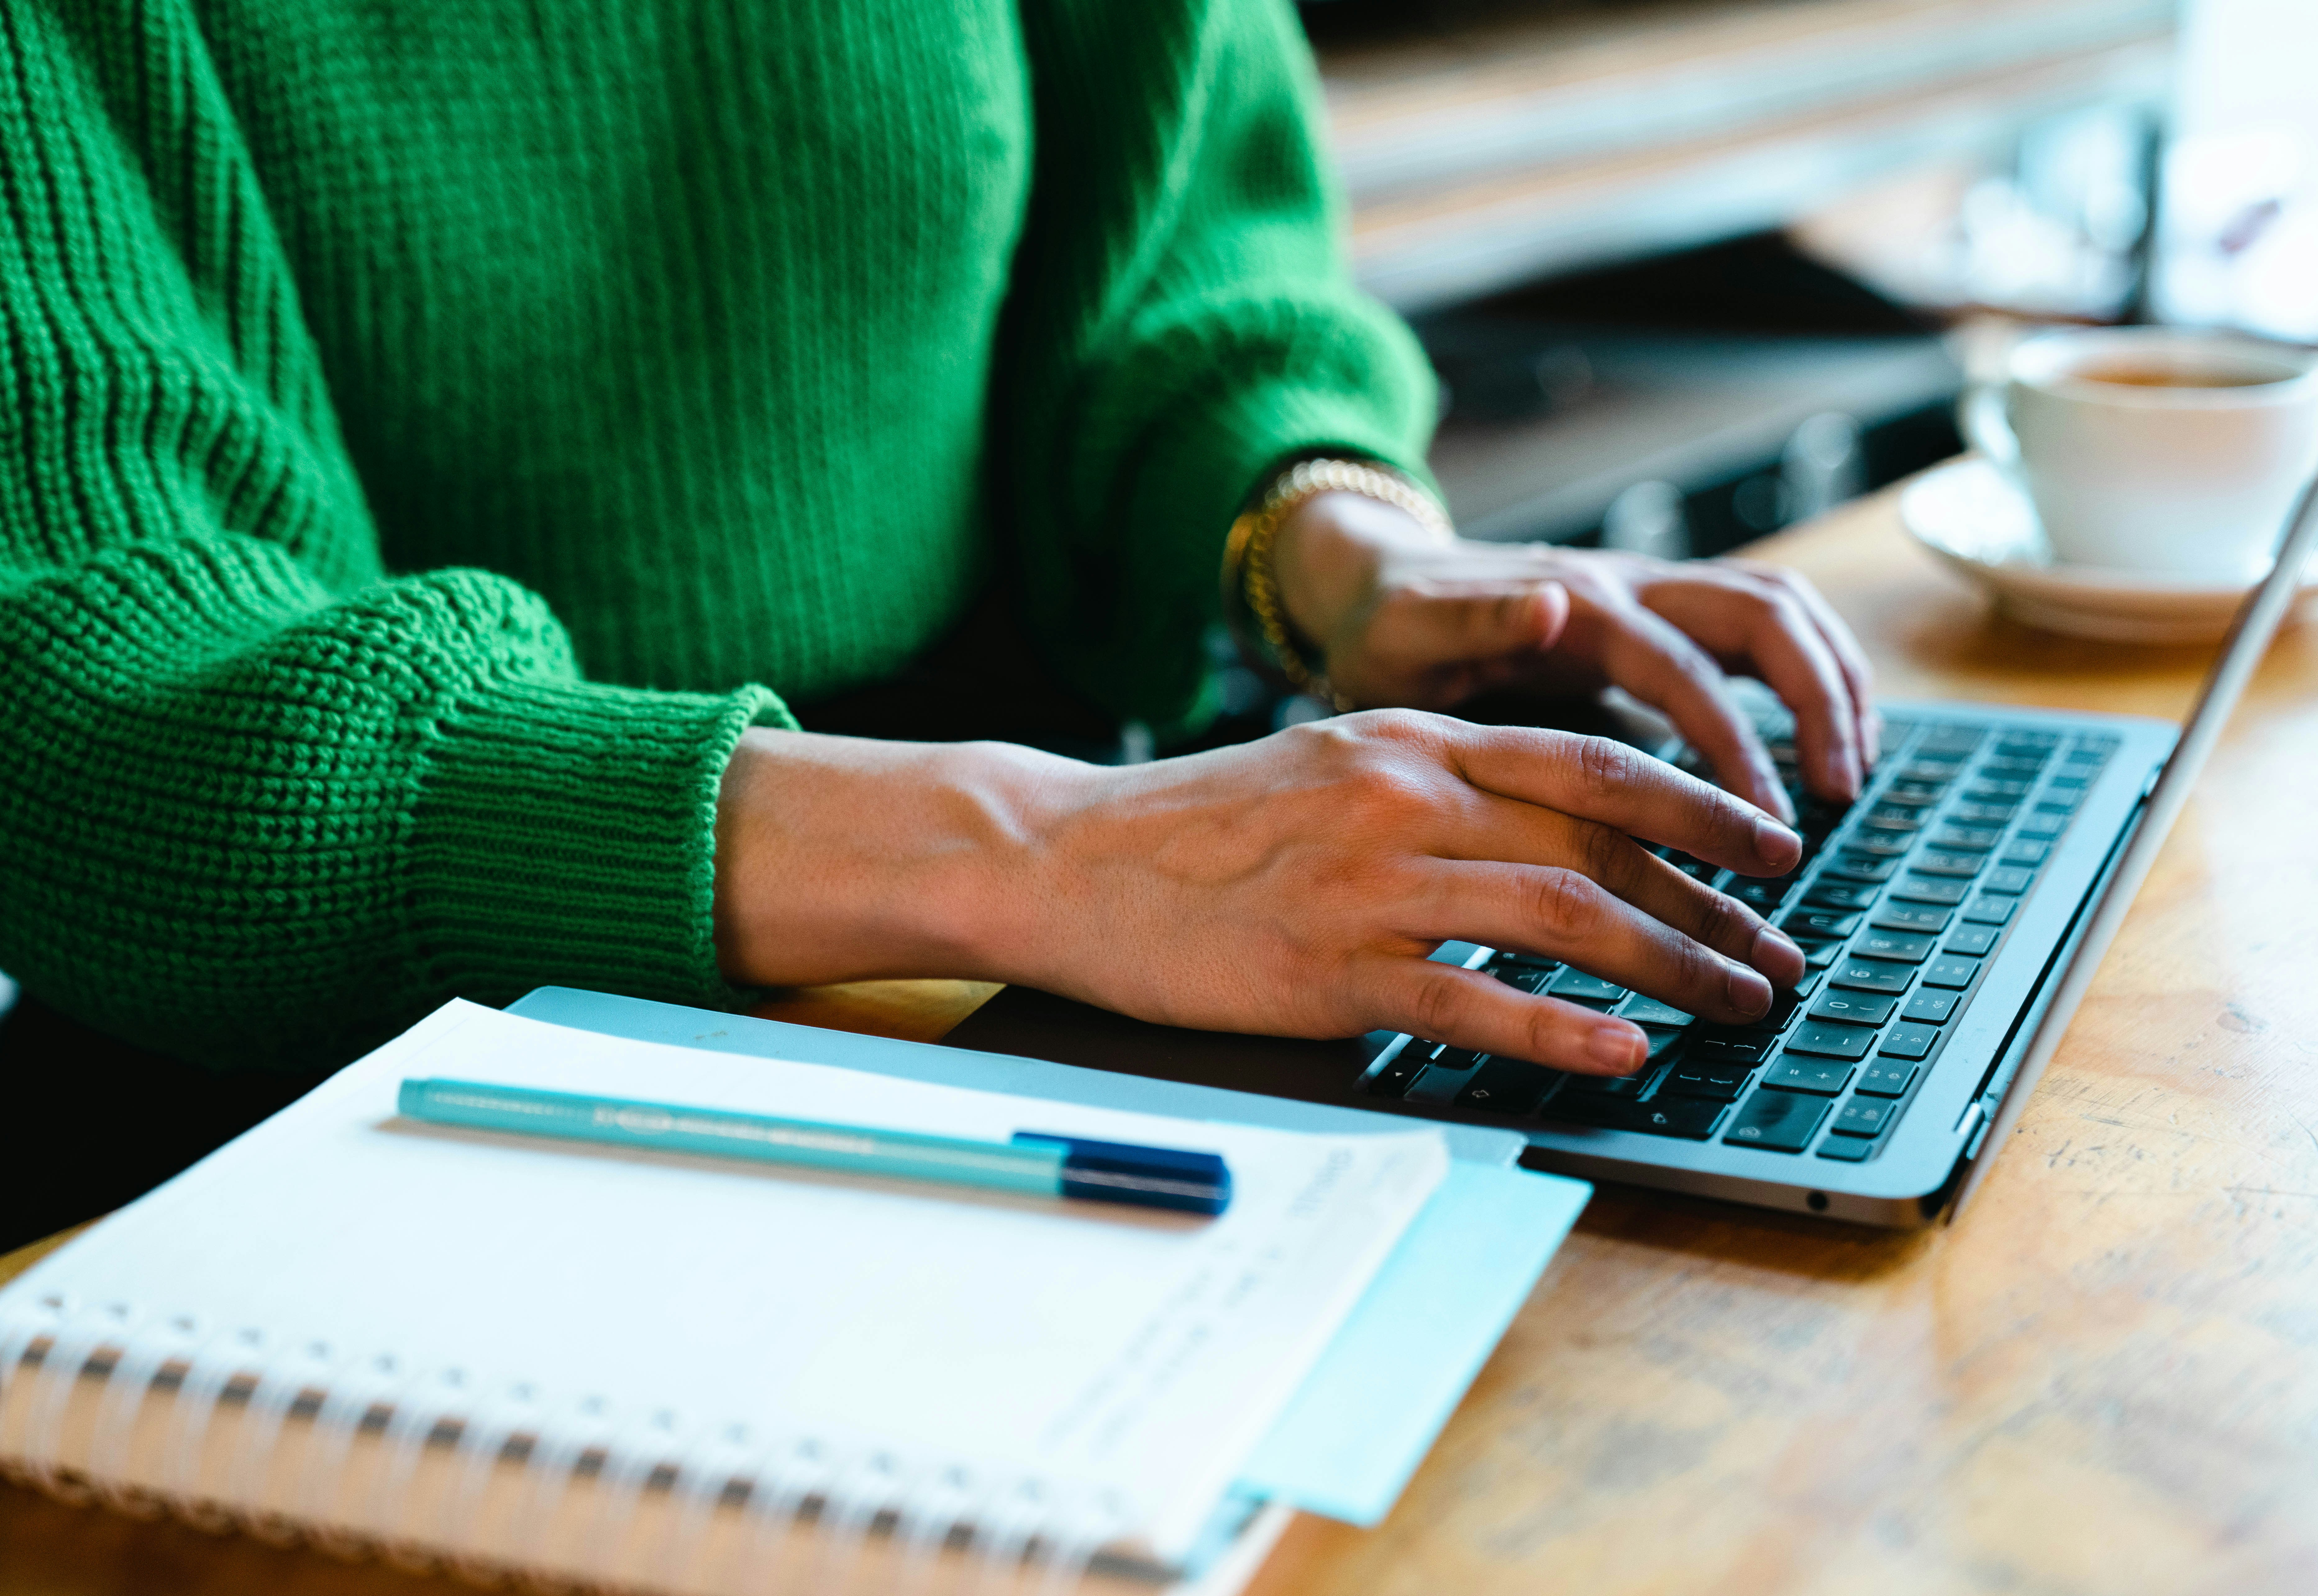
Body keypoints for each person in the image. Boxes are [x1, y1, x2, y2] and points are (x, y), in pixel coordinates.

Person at [0, 0, 1874, 1197]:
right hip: (321, 1117)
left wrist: (1333, 532)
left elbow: (1172, 243)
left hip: (1040, 961)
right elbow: (101, 688)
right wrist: (1043, 844)